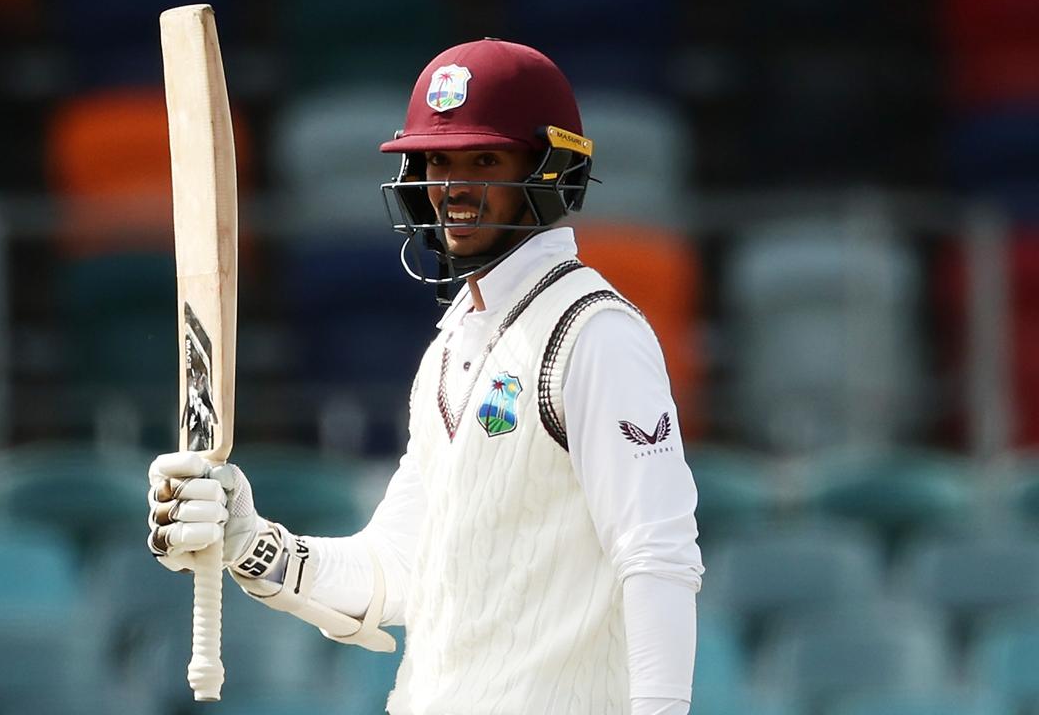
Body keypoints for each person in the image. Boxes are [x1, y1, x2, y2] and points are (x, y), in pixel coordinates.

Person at [147, 38, 704, 715]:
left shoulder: (595, 334)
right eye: (439, 160)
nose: (455, 187)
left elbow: (658, 559)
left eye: (486, 160)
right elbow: (397, 573)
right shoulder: (453, 348)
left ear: (553, 171)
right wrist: (248, 542)